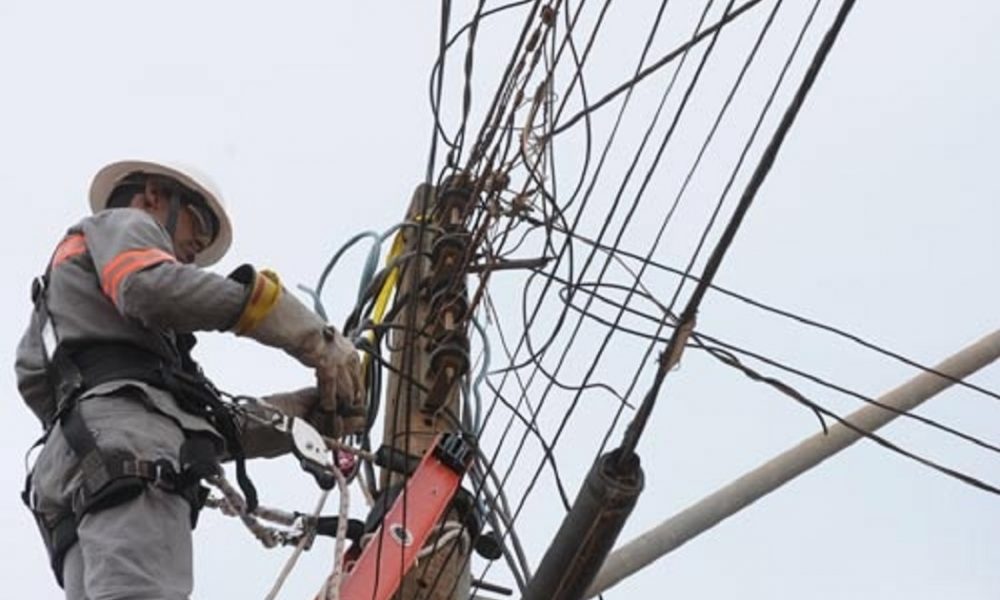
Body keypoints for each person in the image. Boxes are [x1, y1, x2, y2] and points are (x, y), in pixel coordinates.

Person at [15, 160, 367, 599]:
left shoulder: (83, 337)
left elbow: (201, 427)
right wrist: (307, 332)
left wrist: (302, 418)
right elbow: (151, 289)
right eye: (194, 228)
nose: (190, 254)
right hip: (126, 456)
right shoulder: (121, 224)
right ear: (152, 196)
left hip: (77, 467)